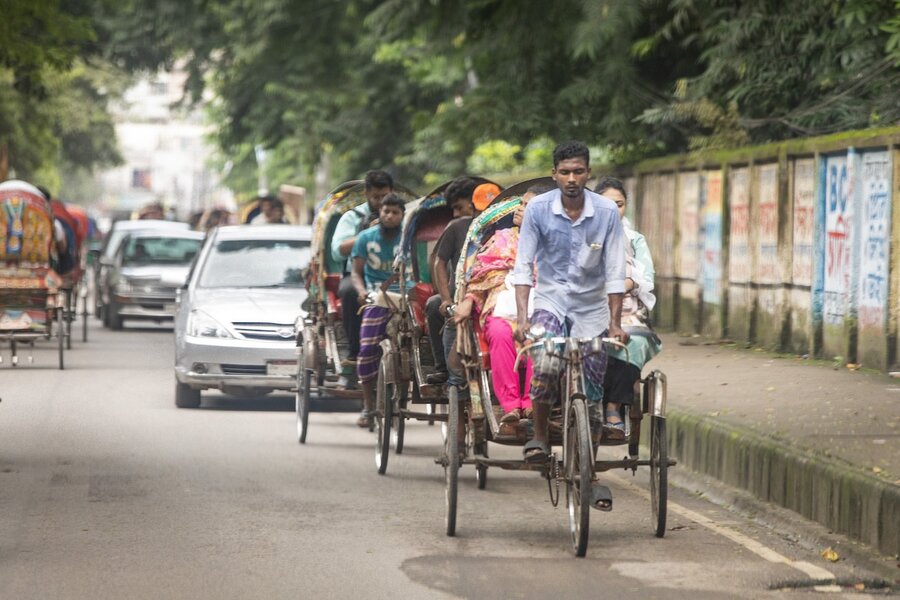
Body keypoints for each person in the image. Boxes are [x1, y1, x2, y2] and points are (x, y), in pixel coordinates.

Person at [512, 141, 628, 463]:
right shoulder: (537, 210)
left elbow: (616, 270)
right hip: (550, 300)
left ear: (588, 173)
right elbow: (523, 267)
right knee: (547, 362)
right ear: (554, 175)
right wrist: (523, 319)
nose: (572, 178)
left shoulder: (605, 213)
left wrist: (615, 324)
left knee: (593, 383)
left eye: (578, 171)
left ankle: (589, 464)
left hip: (592, 306)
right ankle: (538, 437)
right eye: (565, 172)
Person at [452, 183, 552, 423]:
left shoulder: (555, 245)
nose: (519, 210)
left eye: (528, 206)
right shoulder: (500, 239)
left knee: (540, 335)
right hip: (501, 307)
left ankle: (531, 402)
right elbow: (480, 277)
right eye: (521, 204)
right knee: (499, 333)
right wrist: (468, 300)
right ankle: (510, 405)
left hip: (542, 307)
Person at [594, 176, 661, 439]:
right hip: (589, 305)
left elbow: (648, 278)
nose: (614, 210)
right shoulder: (581, 231)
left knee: (633, 341)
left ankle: (613, 406)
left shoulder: (634, 240)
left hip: (628, 307)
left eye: (619, 204)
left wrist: (626, 282)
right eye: (608, 204)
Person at [330, 170, 394, 389]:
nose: (380, 201)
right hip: (359, 275)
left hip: (390, 275)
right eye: (376, 197)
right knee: (348, 292)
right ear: (367, 194)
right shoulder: (352, 217)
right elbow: (337, 251)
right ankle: (355, 352)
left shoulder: (399, 215)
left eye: (384, 196)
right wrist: (368, 233)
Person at [350, 193, 407, 427]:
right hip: (376, 295)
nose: (390, 216)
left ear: (402, 215)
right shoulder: (365, 237)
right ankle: (367, 405)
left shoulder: (410, 237)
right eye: (386, 211)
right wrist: (361, 291)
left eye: (395, 212)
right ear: (380, 212)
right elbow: (355, 272)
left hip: (407, 294)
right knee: (367, 349)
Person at [423, 176, 481, 384]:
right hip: (458, 295)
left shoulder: (502, 222)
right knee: (434, 304)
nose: (455, 213)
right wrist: (447, 299)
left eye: (459, 206)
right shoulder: (456, 227)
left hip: (488, 292)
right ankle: (443, 368)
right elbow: (438, 262)